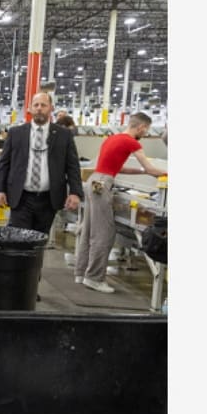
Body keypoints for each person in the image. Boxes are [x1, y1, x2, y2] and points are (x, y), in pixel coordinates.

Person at [73, 111, 166, 293]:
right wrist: (165, 174)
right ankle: (94, 278)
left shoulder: (112, 138)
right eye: (146, 130)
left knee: (89, 229)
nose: (145, 134)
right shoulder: (132, 142)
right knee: (105, 233)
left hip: (94, 181)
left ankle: (81, 273)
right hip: (102, 185)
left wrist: (142, 172)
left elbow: (117, 168)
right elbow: (150, 168)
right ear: (142, 127)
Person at [0, 92, 82, 235]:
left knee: (40, 240)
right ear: (30, 108)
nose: (39, 108)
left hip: (48, 199)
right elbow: (4, 163)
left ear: (51, 108)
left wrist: (75, 192)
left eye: (43, 105)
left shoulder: (64, 135)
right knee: (18, 240)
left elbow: (72, 166)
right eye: (36, 105)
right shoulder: (16, 133)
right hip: (21, 198)